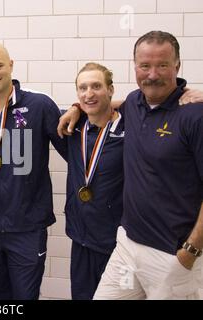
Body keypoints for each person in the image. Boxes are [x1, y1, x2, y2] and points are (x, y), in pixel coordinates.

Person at [60, 31, 203, 299]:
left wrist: (191, 251)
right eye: (145, 66)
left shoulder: (194, 115)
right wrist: (76, 108)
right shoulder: (135, 103)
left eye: (162, 65)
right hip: (127, 245)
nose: (152, 74)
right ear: (135, 66)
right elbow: (103, 104)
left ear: (177, 66)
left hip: (172, 255)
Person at [0, 43, 67, 299]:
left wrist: (79, 107)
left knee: (25, 297)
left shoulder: (39, 106)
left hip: (27, 229)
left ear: (11, 65)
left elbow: (74, 150)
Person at [64, 62, 124, 299]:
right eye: (83, 88)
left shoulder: (132, 127)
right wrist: (74, 108)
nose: (89, 93)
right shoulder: (72, 127)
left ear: (110, 89)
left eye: (96, 86)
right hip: (81, 241)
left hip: (118, 246)